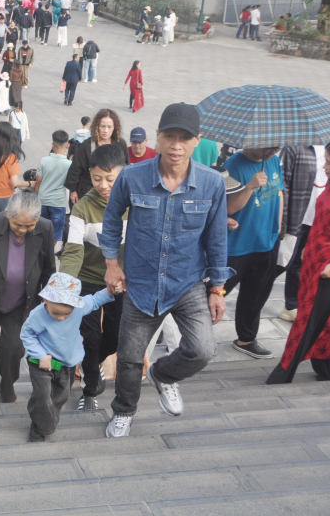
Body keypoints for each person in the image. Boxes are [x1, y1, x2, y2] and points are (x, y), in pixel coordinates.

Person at [98, 103, 231, 438]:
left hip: (187, 282)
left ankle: (164, 375)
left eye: (184, 138)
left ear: (197, 140)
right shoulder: (132, 176)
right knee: (129, 358)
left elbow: (217, 238)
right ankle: (124, 411)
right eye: (170, 136)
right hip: (141, 282)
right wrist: (112, 264)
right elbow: (111, 220)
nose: (176, 145)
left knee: (203, 349)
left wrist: (218, 289)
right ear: (157, 136)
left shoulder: (212, 183)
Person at [267, 139, 330, 383]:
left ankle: (285, 372)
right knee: (325, 320)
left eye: (329, 163)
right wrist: (307, 247)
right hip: (313, 263)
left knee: (313, 319)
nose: (324, 167)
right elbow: (320, 219)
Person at [0, 189, 55, 403]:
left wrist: (48, 304)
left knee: (14, 348)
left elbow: (49, 270)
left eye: (29, 226)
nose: (22, 230)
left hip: (22, 302)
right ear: (7, 213)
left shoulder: (45, 228)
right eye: (17, 224)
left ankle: (7, 389)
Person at [60, 145, 127, 411]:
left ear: (123, 174)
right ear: (89, 174)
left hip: (120, 282)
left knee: (116, 335)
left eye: (110, 179)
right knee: (89, 337)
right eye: (97, 178)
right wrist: (64, 287)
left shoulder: (133, 204)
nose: (103, 185)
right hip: (87, 280)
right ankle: (89, 390)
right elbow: (73, 252)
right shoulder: (82, 208)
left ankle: (92, 363)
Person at [21, 273, 122, 441]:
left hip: (66, 362)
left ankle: (45, 420)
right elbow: (27, 335)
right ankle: (40, 427)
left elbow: (95, 300)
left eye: (66, 314)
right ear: (46, 300)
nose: (61, 318)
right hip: (41, 363)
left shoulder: (79, 307)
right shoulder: (37, 315)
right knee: (42, 396)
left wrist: (109, 291)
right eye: (55, 313)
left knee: (61, 396)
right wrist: (40, 355)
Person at [223, 145, 283, 359]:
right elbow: (228, 208)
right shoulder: (234, 165)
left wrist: (278, 227)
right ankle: (189, 336)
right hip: (238, 244)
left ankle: (246, 339)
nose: (273, 151)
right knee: (215, 292)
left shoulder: (273, 161)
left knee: (256, 294)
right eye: (270, 147)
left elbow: (279, 193)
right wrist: (250, 186)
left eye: (277, 147)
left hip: (267, 241)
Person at [278, 145, 323, 322]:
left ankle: (292, 305)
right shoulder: (296, 148)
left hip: (319, 219)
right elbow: (284, 185)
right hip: (297, 217)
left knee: (301, 264)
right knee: (282, 262)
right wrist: (283, 221)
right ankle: (254, 293)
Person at [65, 109, 130, 204]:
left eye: (109, 127)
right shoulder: (87, 146)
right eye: (102, 126)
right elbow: (75, 169)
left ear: (115, 127)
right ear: (97, 126)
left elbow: (126, 167)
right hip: (89, 191)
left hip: (113, 190)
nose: (106, 130)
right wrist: (73, 191)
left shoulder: (120, 143)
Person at [0, 123, 32, 221]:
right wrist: (30, 183)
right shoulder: (11, 157)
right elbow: (15, 182)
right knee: (5, 226)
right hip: (4, 198)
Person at [34, 130, 73, 247]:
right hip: (58, 203)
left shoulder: (44, 160)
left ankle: (40, 251)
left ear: (52, 145)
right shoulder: (69, 164)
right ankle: (50, 252)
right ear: (68, 146)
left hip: (42, 200)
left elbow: (38, 181)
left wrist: (37, 196)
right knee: (55, 234)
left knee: (40, 230)